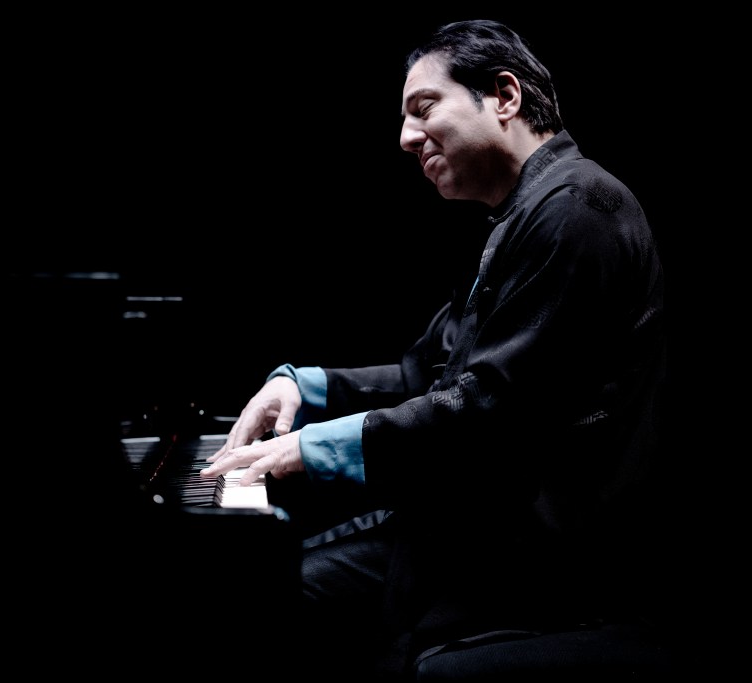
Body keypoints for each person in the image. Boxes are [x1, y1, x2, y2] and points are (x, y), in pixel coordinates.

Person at [201, 18, 670, 680]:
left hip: (531, 561)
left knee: (258, 602)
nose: (404, 137)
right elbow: (426, 371)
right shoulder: (523, 216)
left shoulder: (580, 209)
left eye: (423, 108)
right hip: (468, 536)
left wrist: (310, 447)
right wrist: (300, 387)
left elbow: (487, 408)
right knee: (261, 582)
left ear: (504, 96)